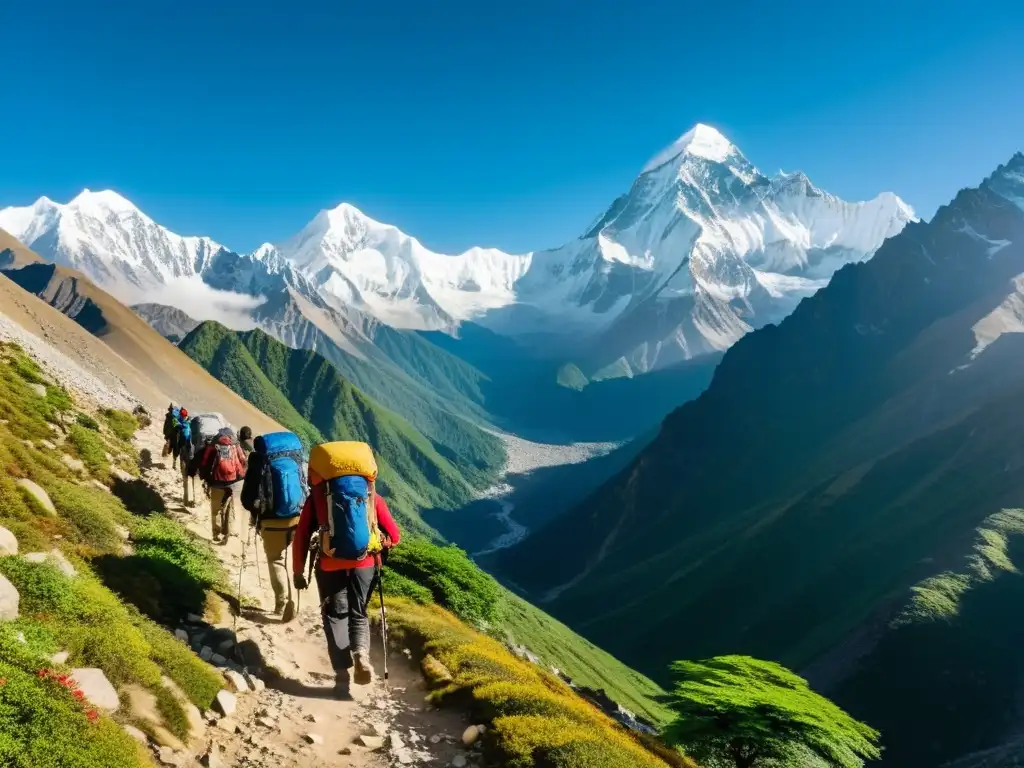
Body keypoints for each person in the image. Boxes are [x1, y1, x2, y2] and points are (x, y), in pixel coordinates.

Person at [292, 471, 400, 697]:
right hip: (365, 563)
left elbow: (302, 534)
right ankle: (361, 654)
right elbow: (395, 535)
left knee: (335, 616)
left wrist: (298, 570)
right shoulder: (371, 495)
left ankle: (342, 678)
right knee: (358, 612)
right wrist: (382, 542)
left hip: (330, 563)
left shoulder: (318, 498)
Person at [240, 432, 302, 616]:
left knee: (275, 559)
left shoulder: (259, 459)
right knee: (292, 557)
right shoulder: (295, 456)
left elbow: (248, 496)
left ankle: (281, 603)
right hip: (297, 515)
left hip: (271, 519)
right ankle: (294, 600)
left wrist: (254, 512)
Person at [190, 428, 247, 544]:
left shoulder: (213, 445)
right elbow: (243, 461)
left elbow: (205, 462)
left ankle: (216, 534)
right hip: (234, 482)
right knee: (230, 509)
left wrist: (206, 479)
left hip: (216, 482)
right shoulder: (236, 445)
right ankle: (227, 534)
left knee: (215, 510)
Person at [173, 408, 194, 507]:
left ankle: (185, 498)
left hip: (183, 451)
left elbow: (174, 425)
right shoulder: (189, 423)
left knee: (184, 475)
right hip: (190, 452)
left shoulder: (180, 424)